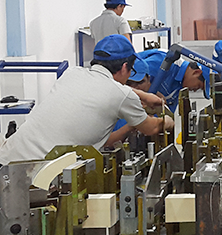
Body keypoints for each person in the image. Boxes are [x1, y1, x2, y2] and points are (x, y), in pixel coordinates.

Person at [0, 35, 173, 166]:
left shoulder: (72, 73)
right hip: (37, 177)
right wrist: (170, 122)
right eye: (131, 71)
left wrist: (143, 96)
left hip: (7, 158)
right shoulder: (121, 95)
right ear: (124, 67)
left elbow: (107, 87)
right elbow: (151, 128)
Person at [140, 49, 211, 112]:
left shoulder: (179, 87)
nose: (195, 90)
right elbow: (134, 79)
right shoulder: (164, 60)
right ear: (196, 72)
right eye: (199, 86)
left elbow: (169, 113)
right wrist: (150, 92)